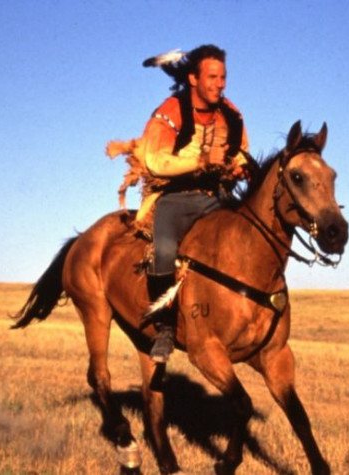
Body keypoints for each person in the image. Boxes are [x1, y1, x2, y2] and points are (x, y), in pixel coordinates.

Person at [135, 44, 250, 363]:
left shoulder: (231, 114)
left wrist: (238, 168)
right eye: (212, 77)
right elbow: (155, 160)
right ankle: (165, 328)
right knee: (163, 251)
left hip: (217, 198)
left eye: (223, 77)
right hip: (176, 198)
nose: (220, 84)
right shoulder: (171, 110)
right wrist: (201, 160)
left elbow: (242, 152)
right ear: (193, 79)